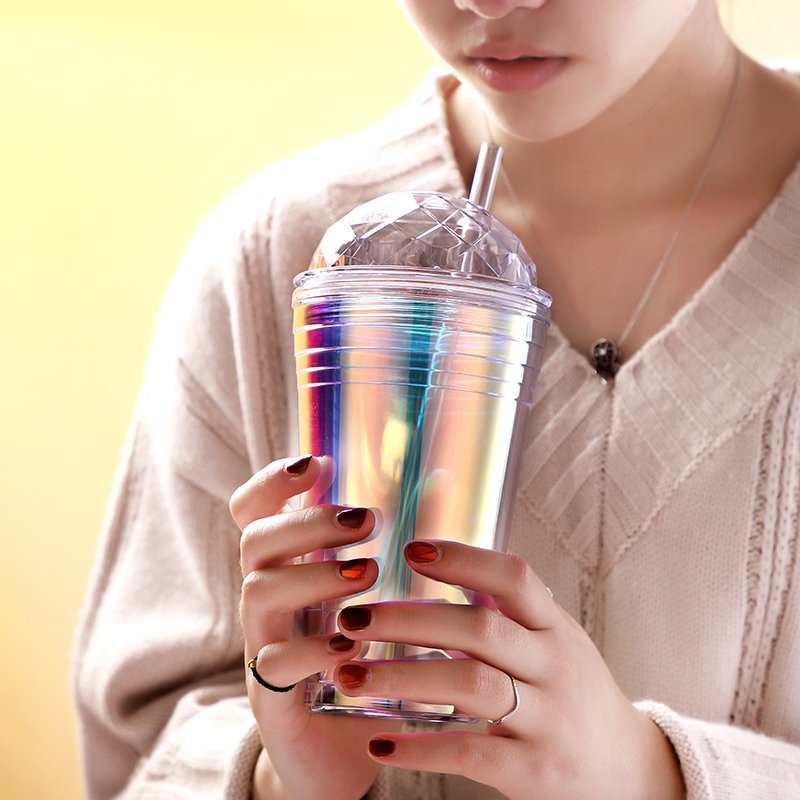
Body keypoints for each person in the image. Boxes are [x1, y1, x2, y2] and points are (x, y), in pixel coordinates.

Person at [73, 0, 800, 798]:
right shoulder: (271, 261)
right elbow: (133, 757)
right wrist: (276, 778)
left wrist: (658, 779)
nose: (488, 2)